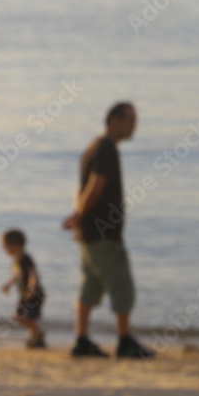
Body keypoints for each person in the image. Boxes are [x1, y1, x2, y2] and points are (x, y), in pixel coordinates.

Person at [61, 101, 153, 359]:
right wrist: (79, 215)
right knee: (122, 285)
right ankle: (124, 341)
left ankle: (81, 341)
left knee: (90, 286)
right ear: (114, 120)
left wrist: (78, 217)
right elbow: (96, 185)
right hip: (103, 232)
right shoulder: (106, 148)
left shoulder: (93, 147)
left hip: (90, 232)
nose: (134, 126)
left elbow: (80, 188)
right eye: (130, 120)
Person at [0, 229, 46, 348]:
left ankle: (38, 334)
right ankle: (35, 335)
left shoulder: (26, 259)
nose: (4, 249)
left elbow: (33, 274)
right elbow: (17, 276)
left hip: (33, 294)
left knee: (21, 316)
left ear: (15, 245)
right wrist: (8, 284)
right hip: (25, 294)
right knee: (22, 316)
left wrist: (32, 287)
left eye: (5, 246)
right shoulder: (18, 260)